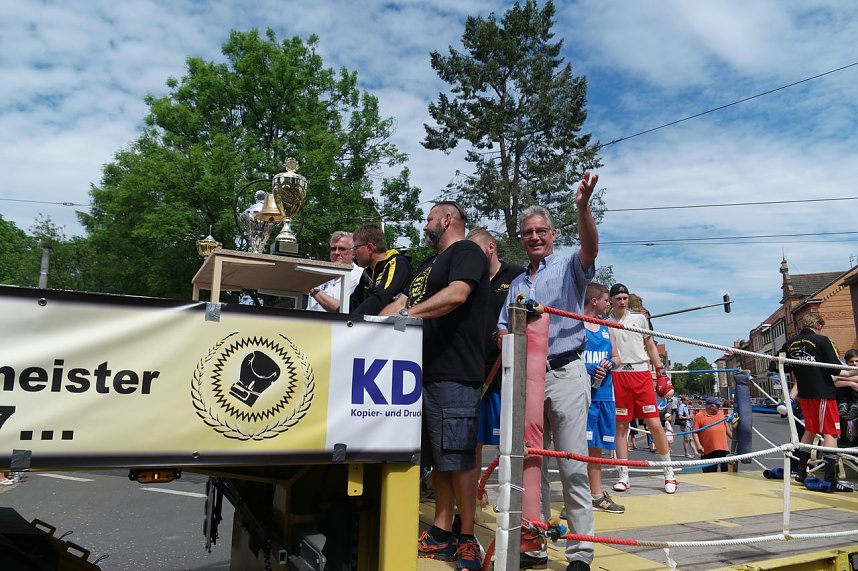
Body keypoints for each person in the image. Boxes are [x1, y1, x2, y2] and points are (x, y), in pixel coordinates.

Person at [497, 171, 601, 571]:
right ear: (522, 239)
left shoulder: (570, 268)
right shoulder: (516, 285)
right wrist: (505, 336)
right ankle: (534, 544)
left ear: (553, 234)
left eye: (541, 230)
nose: (535, 237)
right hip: (527, 379)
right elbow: (502, 329)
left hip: (566, 373)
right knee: (530, 465)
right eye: (528, 233)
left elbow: (591, 248)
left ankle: (580, 553)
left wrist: (583, 206)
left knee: (573, 465)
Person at [383, 201, 489, 571]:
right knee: (438, 459)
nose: (424, 224)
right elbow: (399, 301)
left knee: (459, 459)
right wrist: (359, 327)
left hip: (455, 371)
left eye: (428, 218)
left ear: (446, 220)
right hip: (422, 373)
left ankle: (466, 538)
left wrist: (407, 315)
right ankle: (442, 532)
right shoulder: (427, 266)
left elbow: (458, 294)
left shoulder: (466, 252)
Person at [608, 283, 678, 494]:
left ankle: (669, 474)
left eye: (625, 298)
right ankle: (623, 476)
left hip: (641, 374)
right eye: (618, 298)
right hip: (618, 375)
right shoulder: (605, 322)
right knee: (621, 427)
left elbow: (651, 346)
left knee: (654, 423)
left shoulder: (639, 318)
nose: (622, 301)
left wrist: (660, 372)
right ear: (611, 300)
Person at [466, 228, 524, 464]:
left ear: (491, 248)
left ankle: (512, 490)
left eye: (475, 251)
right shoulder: (468, 280)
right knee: (474, 437)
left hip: (508, 368)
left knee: (511, 435)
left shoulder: (517, 276)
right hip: (475, 368)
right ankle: (477, 492)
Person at [775, 313, 842, 486]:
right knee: (831, 432)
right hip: (823, 394)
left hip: (804, 394)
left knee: (810, 430)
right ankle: (829, 477)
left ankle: (801, 471)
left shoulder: (790, 343)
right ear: (818, 326)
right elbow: (835, 369)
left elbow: (776, 364)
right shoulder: (822, 341)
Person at [582, 282, 624, 515]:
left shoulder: (608, 327)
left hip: (605, 394)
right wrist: (588, 368)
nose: (609, 304)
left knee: (598, 447)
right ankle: (576, 497)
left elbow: (617, 357)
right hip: (583, 394)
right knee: (579, 447)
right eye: (607, 300)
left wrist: (610, 363)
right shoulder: (575, 324)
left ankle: (596, 495)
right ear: (594, 301)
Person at [349, 224, 413, 316]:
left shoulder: (397, 262)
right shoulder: (367, 272)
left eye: (355, 248)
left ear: (370, 248)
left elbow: (381, 297)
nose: (353, 253)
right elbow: (353, 303)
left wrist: (350, 321)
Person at [306, 231, 365, 312]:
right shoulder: (318, 275)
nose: (336, 252)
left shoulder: (361, 276)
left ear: (353, 252)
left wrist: (314, 291)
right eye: (333, 249)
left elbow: (346, 309)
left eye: (342, 249)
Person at [692, 396, 733, 472]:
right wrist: (698, 445)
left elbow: (727, 429)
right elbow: (695, 432)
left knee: (728, 471)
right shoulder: (699, 416)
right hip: (708, 450)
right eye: (717, 406)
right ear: (711, 406)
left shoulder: (720, 414)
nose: (719, 407)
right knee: (710, 473)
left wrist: (735, 439)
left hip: (723, 449)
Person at [834, 348, 858, 421]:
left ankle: (856, 407)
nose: (854, 364)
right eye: (851, 361)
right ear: (847, 363)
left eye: (857, 361)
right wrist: (850, 383)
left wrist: (842, 378)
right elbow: (835, 383)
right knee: (843, 386)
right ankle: (843, 406)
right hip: (847, 399)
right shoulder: (843, 369)